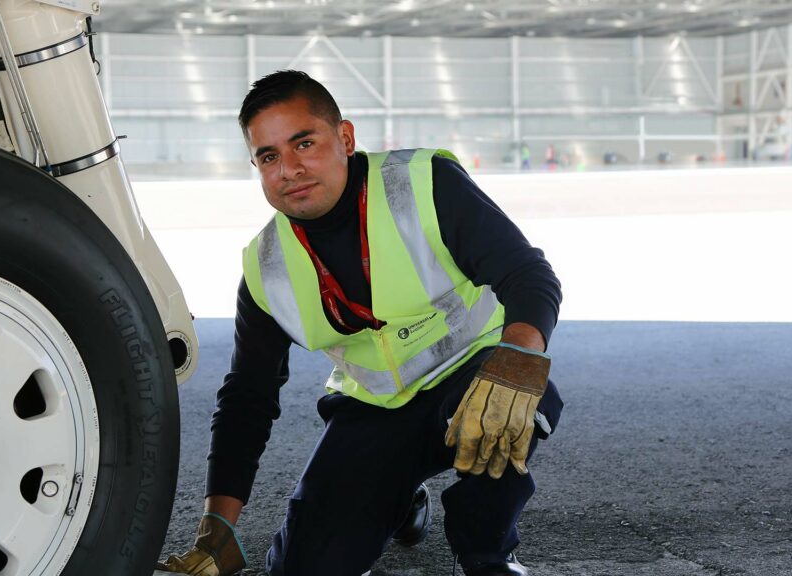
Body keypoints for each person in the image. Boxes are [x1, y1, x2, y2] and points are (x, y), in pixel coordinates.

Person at [157, 70, 563, 576]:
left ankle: (487, 554)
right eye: (269, 156)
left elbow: (528, 274)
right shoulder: (267, 268)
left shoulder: (423, 184)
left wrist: (518, 357)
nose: (290, 169)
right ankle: (399, 499)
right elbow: (246, 398)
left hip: (473, 378)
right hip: (375, 411)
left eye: (304, 143)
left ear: (346, 138)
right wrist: (217, 527)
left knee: (514, 403)